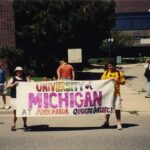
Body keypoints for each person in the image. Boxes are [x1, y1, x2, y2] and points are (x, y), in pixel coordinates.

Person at [100, 61, 125, 130]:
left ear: (114, 66)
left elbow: (123, 82)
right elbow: (102, 81)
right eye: (108, 66)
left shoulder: (119, 73)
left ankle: (119, 123)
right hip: (108, 94)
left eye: (110, 66)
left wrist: (117, 81)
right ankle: (106, 122)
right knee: (107, 109)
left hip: (116, 94)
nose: (109, 67)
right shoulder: (106, 72)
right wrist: (109, 79)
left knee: (117, 108)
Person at [7, 66, 27, 131]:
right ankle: (13, 125)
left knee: (24, 112)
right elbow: (7, 86)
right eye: (18, 71)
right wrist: (14, 84)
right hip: (14, 97)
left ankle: (25, 124)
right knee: (15, 112)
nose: (19, 72)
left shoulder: (24, 79)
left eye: (20, 71)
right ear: (16, 72)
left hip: (23, 98)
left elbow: (29, 86)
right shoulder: (12, 79)